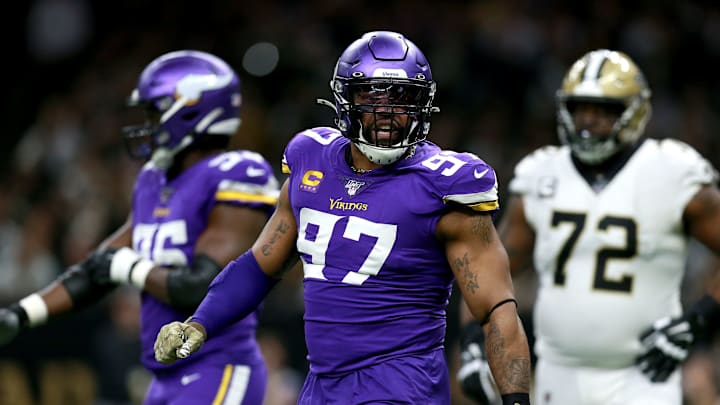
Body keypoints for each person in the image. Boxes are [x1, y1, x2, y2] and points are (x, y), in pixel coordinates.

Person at [152, 31, 532, 405]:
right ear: (345, 100)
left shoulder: (445, 186)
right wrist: (199, 323)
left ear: (422, 104)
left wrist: (516, 400)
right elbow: (261, 264)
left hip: (401, 385)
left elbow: (497, 307)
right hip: (322, 384)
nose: (387, 113)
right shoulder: (311, 159)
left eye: (401, 99)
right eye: (372, 97)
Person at [0, 50, 280, 405]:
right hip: (162, 379)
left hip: (217, 368)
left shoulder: (239, 173)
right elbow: (97, 268)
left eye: (155, 112)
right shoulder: (153, 180)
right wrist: (19, 315)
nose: (148, 124)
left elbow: (201, 285)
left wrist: (127, 267)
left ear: (192, 111)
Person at [459, 49, 720, 404]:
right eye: (580, 107)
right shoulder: (542, 175)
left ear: (635, 110)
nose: (588, 120)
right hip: (557, 371)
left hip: (644, 373)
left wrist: (699, 320)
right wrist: (474, 340)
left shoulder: (673, 171)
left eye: (604, 109)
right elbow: (488, 272)